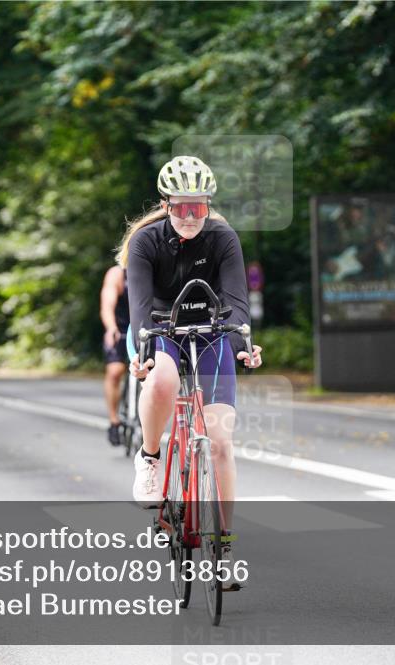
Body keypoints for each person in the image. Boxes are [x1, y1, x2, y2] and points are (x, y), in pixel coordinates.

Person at [117, 155, 263, 567]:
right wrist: (145, 356)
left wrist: (241, 342)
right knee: (162, 381)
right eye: (180, 207)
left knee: (219, 443)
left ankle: (226, 547)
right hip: (159, 329)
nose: (189, 216)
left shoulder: (222, 237)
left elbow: (237, 301)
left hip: (212, 330)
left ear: (207, 206)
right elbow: (139, 310)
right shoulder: (146, 243)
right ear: (166, 206)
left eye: (197, 207)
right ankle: (149, 457)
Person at [100, 265, 131, 446]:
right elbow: (107, 306)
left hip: (144, 327)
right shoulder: (117, 274)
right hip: (120, 329)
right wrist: (111, 327)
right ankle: (114, 421)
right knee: (115, 371)